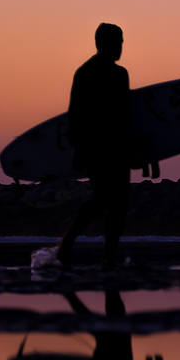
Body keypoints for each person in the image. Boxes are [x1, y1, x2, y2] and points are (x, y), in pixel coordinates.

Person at [59, 23, 131, 268]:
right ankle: (66, 244)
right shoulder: (86, 73)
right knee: (104, 198)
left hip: (118, 149)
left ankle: (109, 257)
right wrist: (79, 148)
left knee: (117, 204)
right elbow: (76, 113)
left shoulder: (121, 74)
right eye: (116, 41)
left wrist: (143, 153)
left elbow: (126, 117)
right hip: (96, 148)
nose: (121, 46)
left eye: (122, 41)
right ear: (102, 43)